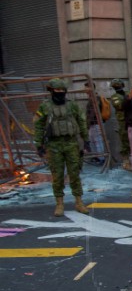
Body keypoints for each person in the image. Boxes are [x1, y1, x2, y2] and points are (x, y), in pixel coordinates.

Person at [34, 78, 91, 216]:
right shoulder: (45, 106)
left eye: (62, 90)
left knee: (75, 174)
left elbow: (82, 122)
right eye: (57, 90)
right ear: (51, 91)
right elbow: (39, 126)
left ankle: (79, 202)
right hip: (54, 145)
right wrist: (39, 144)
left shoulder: (72, 106)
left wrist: (86, 140)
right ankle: (59, 204)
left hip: (71, 143)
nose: (59, 93)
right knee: (57, 175)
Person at [109, 78, 130, 169]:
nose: (118, 87)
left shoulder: (127, 94)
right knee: (125, 141)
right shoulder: (114, 97)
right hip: (122, 122)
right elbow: (120, 106)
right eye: (116, 85)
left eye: (119, 85)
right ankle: (126, 161)